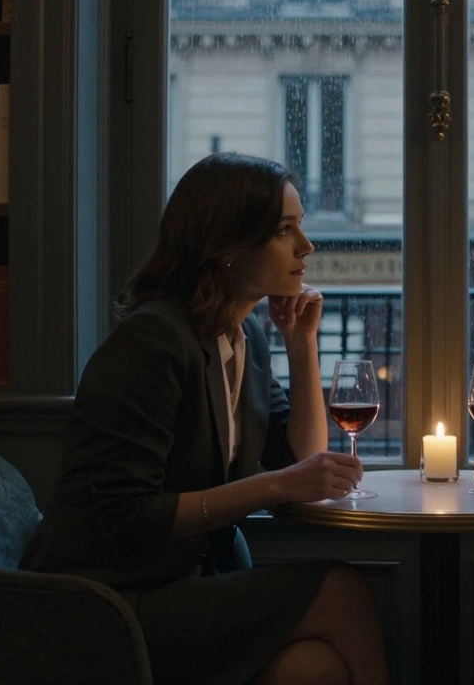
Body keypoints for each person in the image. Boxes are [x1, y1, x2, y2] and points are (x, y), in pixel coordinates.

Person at [21, 152, 392, 685]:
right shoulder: (153, 342)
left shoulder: (246, 339)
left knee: (317, 670)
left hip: (182, 582)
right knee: (341, 589)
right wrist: (273, 487)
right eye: (285, 230)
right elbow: (128, 517)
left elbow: (302, 462)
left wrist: (301, 346)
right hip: (108, 600)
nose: (306, 247)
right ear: (228, 248)